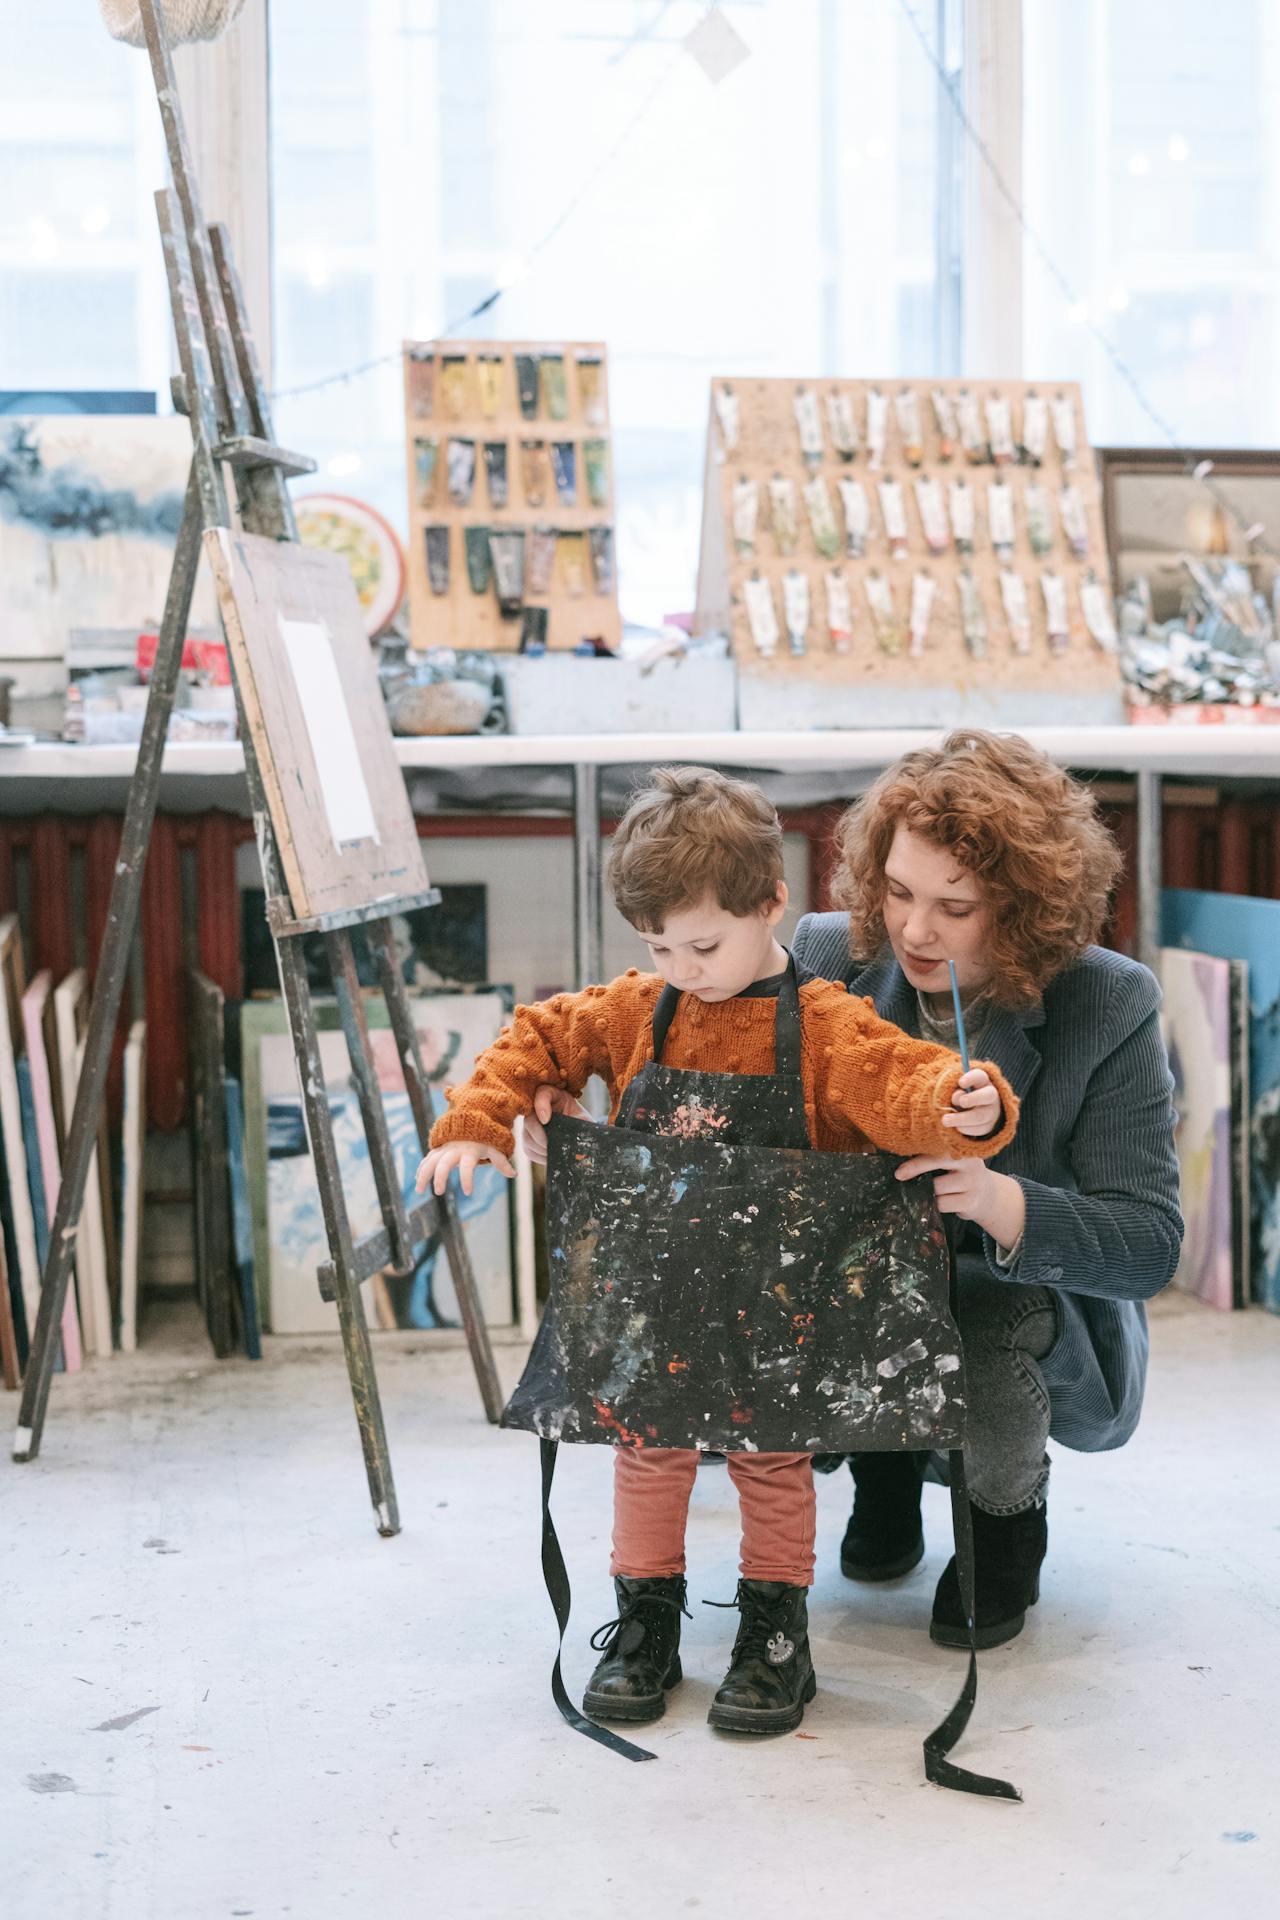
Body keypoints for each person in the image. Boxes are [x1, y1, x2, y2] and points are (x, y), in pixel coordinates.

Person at [417, 766, 1019, 1734]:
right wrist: (474, 1123)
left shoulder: (825, 1025)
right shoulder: (639, 1008)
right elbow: (536, 1037)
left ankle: (774, 1632)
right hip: (655, 1307)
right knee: (644, 1460)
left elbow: (904, 1080)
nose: (683, 965)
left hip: (780, 1315)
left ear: (771, 902)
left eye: (702, 942)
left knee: (771, 1468)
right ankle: (644, 1620)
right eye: (658, 945)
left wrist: (969, 1102)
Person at [785, 729, 1183, 1649]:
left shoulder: (1108, 1001)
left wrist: (1003, 1202)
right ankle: (885, 1483)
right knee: (869, 1292)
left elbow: (1148, 1245)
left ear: (1026, 908)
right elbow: (707, 1054)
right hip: (863, 1276)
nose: (913, 932)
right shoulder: (823, 953)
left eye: (954, 907)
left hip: (1017, 1294)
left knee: (979, 1316)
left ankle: (1004, 1526)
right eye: (896, 892)